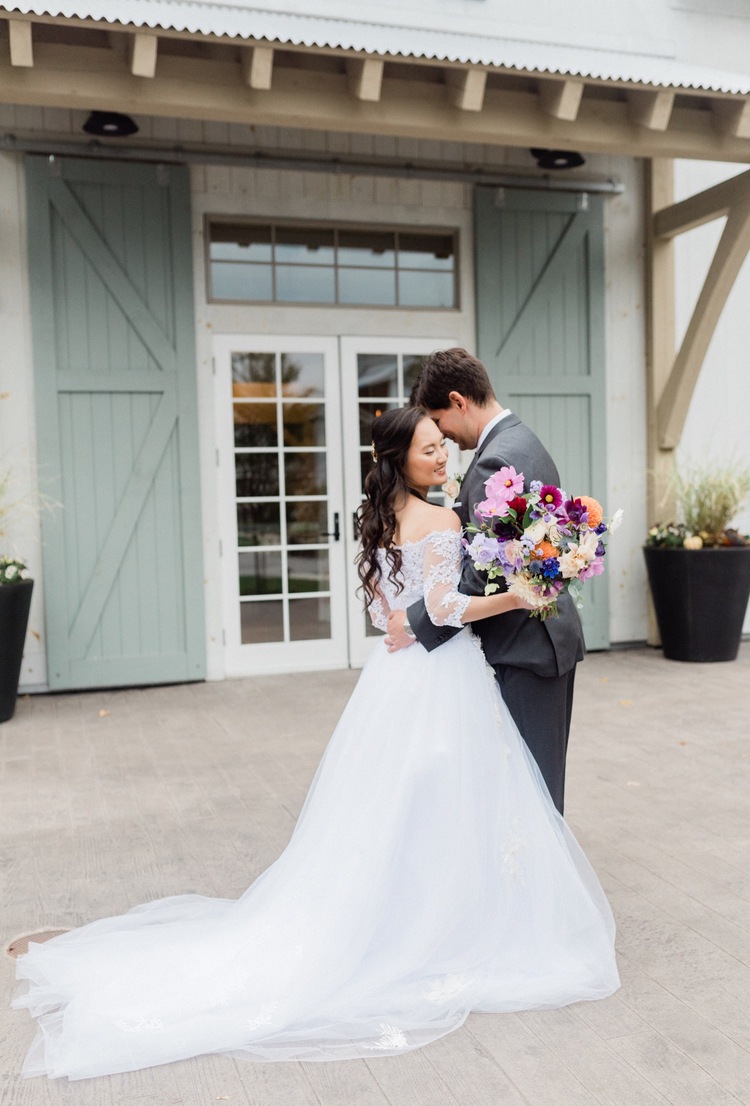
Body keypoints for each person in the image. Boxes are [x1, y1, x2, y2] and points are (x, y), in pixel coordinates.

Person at [13, 407, 618, 1082]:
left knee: (393, 808)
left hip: (390, 682)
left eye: (443, 447)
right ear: (400, 459)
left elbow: (385, 614)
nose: (444, 458)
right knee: (452, 800)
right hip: (443, 681)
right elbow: (445, 610)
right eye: (429, 450)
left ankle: (402, 916)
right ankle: (442, 926)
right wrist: (519, 594)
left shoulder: (379, 521)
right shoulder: (443, 521)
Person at [387, 349, 585, 814]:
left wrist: (418, 622)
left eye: (440, 422)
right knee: (528, 784)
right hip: (538, 642)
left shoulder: (496, 461)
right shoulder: (521, 441)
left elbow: (483, 574)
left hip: (523, 648)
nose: (445, 439)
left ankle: (536, 886)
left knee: (529, 791)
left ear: (458, 400)